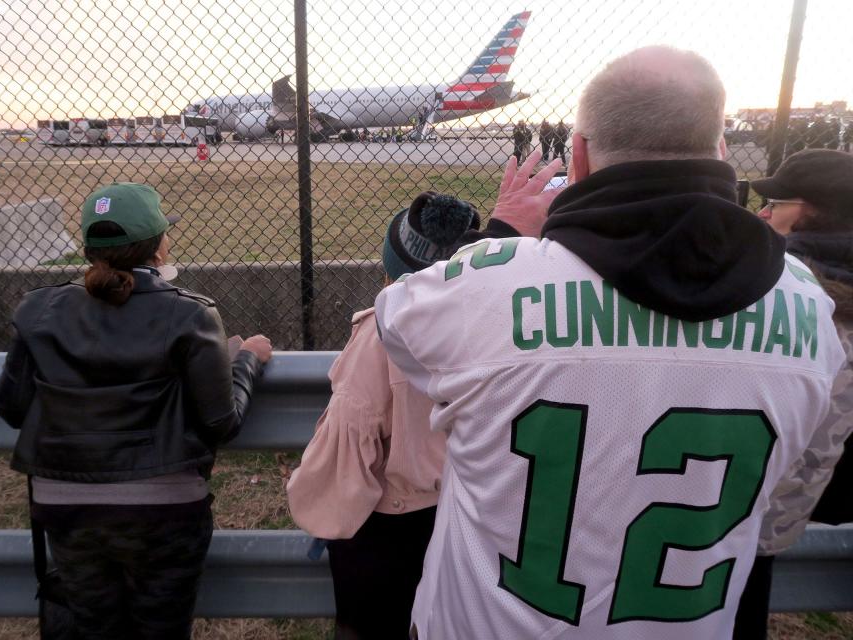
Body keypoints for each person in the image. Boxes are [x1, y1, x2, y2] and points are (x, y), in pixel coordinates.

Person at [375, 46, 845, 640]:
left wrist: (502, 237)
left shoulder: (487, 289)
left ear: (577, 155)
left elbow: (396, 317)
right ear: (721, 152)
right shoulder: (810, 305)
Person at [0, 183, 273, 640]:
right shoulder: (190, 314)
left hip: (66, 511)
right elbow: (221, 423)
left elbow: (10, 407)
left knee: (95, 630)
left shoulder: (38, 309)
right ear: (158, 248)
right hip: (163, 514)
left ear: (86, 249)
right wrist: (245, 361)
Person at [287, 192, 483, 640]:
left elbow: (345, 453)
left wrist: (313, 498)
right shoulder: (490, 327)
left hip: (391, 527)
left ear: (392, 266)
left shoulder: (378, 337)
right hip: (464, 514)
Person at [733, 149, 853, 639]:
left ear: (812, 212)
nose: (763, 210)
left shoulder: (780, 292)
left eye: (777, 201)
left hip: (751, 520)